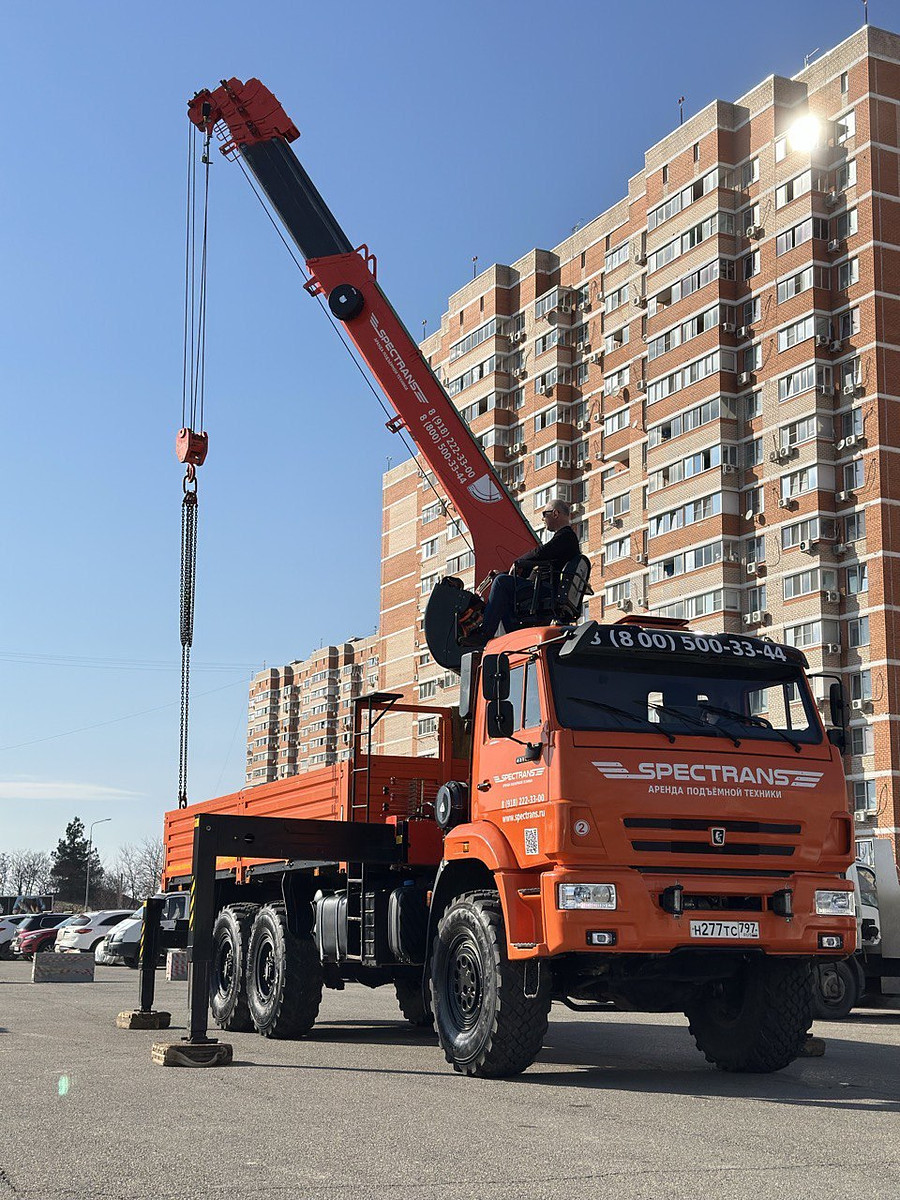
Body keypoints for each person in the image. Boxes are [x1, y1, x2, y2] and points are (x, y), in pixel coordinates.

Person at [476, 498, 579, 641]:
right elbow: (538, 562)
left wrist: (517, 563)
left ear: (555, 513)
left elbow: (540, 553)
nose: (543, 519)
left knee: (501, 583)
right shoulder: (566, 539)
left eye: (544, 514)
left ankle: (484, 633)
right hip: (547, 588)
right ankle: (515, 636)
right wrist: (506, 573)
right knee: (504, 585)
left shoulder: (566, 536)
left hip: (546, 590)